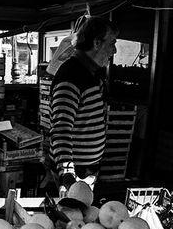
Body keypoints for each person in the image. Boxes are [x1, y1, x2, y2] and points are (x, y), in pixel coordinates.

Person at [43, 17, 118, 196]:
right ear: (97, 43)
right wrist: (68, 174)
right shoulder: (71, 77)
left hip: (87, 170)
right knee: (70, 220)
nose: (114, 50)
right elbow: (61, 128)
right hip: (74, 174)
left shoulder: (91, 73)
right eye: (112, 43)